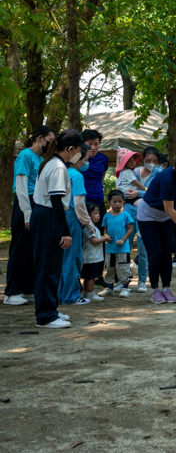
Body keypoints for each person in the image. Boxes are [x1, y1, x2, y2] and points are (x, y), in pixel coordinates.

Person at [31, 129, 86, 328]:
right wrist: (65, 230)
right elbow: (56, 199)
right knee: (47, 268)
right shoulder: (58, 167)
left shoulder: (51, 163)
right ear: (70, 149)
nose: (80, 155)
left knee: (51, 266)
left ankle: (50, 308)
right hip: (48, 215)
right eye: (79, 150)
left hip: (45, 214)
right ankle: (45, 316)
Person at [137, 147, 176, 304]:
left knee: (166, 253)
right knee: (155, 252)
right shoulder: (166, 178)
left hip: (164, 217)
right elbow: (170, 208)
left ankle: (166, 288)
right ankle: (155, 289)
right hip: (148, 215)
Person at [4, 125, 55, 306]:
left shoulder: (40, 158)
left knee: (33, 249)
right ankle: (12, 292)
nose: (51, 143)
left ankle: (27, 288)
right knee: (20, 248)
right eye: (50, 140)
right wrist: (27, 213)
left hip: (37, 203)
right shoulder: (25, 155)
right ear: (40, 138)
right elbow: (21, 187)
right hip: (25, 203)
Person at [58, 147, 93, 305]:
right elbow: (79, 204)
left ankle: (60, 294)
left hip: (59, 217)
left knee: (62, 258)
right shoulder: (77, 176)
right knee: (73, 258)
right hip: (72, 218)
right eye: (85, 159)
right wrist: (88, 223)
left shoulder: (62, 172)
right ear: (78, 159)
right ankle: (71, 296)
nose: (87, 163)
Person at [124, 147, 162, 293]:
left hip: (147, 214)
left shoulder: (159, 174)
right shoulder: (132, 172)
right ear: (143, 159)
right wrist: (129, 194)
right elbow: (124, 190)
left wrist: (138, 192)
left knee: (143, 249)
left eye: (155, 161)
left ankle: (141, 281)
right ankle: (124, 281)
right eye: (148, 160)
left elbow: (155, 193)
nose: (151, 163)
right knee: (124, 248)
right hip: (129, 212)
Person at [81, 129, 110, 287]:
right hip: (81, 203)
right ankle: (80, 276)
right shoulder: (78, 159)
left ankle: (98, 275)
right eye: (90, 144)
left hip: (98, 202)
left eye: (96, 144)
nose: (93, 147)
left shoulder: (103, 159)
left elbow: (102, 177)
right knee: (82, 238)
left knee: (99, 236)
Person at [99, 189, 134, 298]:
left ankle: (125, 288)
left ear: (124, 202)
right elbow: (104, 229)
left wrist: (123, 240)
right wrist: (105, 236)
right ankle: (109, 287)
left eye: (120, 201)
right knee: (110, 267)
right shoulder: (106, 216)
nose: (117, 204)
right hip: (110, 248)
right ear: (109, 202)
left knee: (123, 267)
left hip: (123, 248)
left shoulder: (126, 215)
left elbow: (130, 229)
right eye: (115, 201)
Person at [81, 203, 111, 302]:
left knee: (88, 276)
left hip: (91, 256)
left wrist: (103, 238)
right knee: (91, 277)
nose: (98, 215)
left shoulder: (93, 227)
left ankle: (85, 293)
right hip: (91, 257)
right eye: (95, 213)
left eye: (98, 213)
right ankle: (90, 294)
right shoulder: (90, 228)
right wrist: (104, 239)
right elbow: (94, 241)